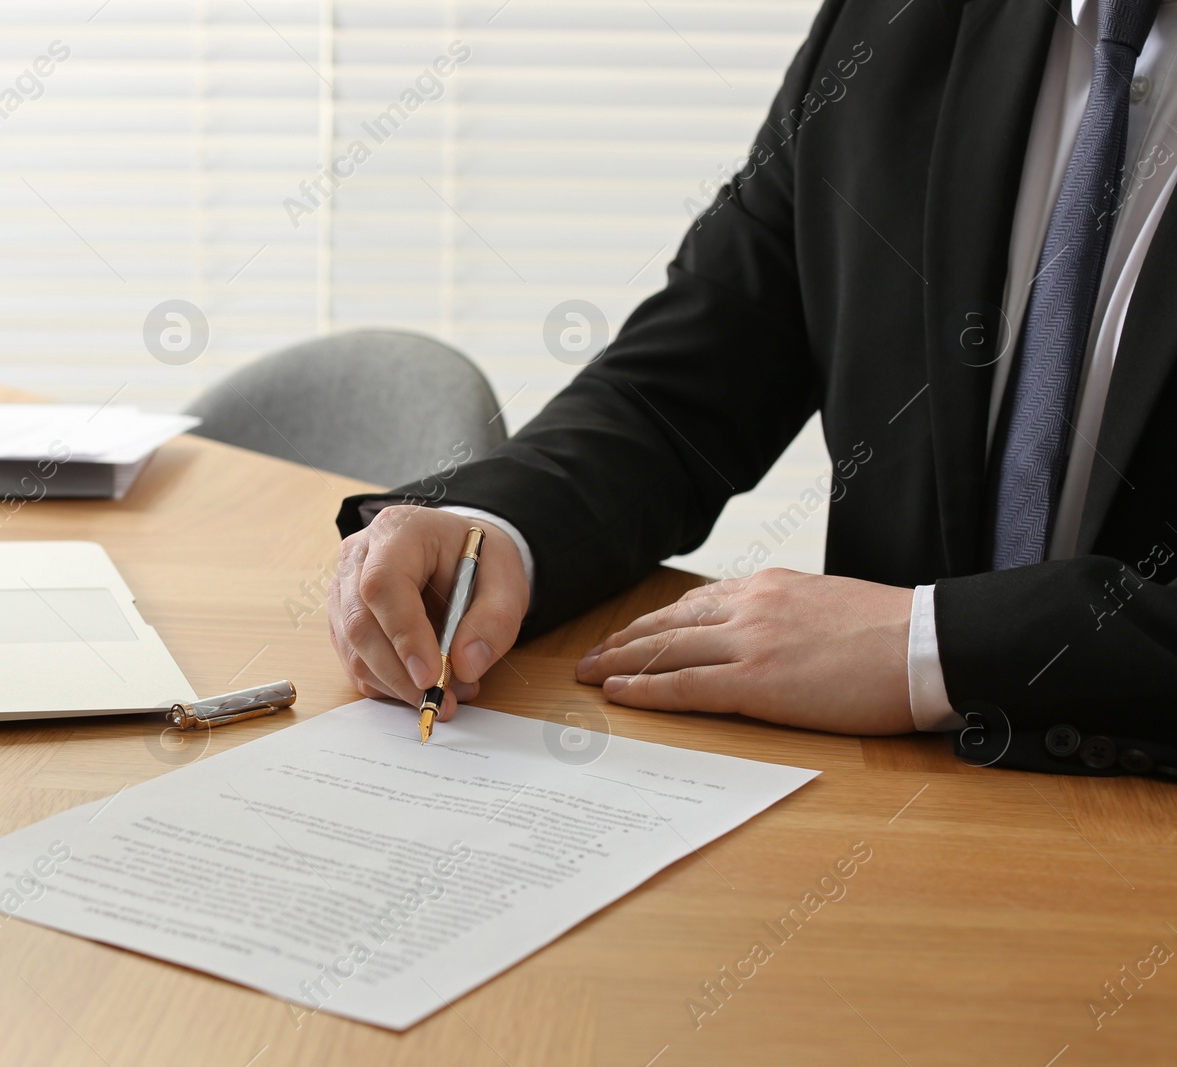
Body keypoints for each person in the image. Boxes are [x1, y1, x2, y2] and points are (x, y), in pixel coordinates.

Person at [328, 0, 1177, 777]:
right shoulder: (891, 23)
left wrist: (933, 647)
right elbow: (681, 390)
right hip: (878, 808)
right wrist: (489, 533)